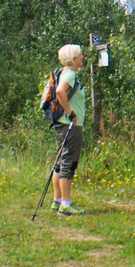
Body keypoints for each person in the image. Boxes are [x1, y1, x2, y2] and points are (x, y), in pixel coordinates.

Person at [51, 43, 87, 215]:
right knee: (68, 161)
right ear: (73, 59)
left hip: (62, 123)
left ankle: (57, 201)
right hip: (70, 125)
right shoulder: (70, 75)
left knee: (60, 160)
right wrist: (70, 113)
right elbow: (60, 92)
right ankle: (66, 204)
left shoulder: (62, 73)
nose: (82, 57)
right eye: (80, 55)